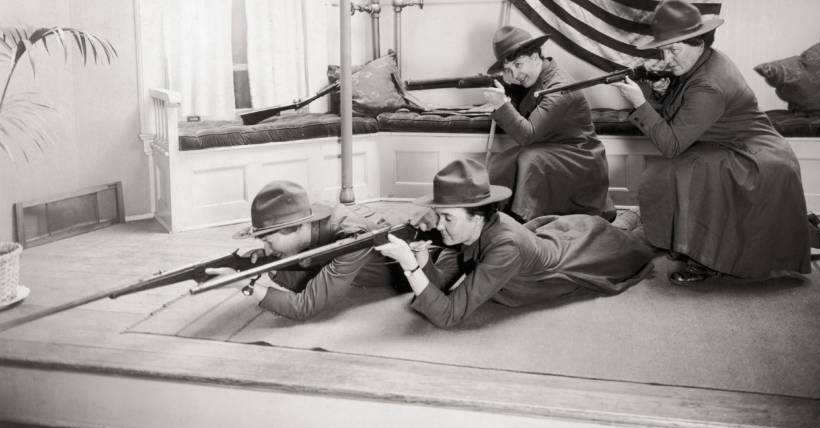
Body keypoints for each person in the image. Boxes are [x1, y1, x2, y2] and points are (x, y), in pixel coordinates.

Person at [607, 0, 820, 286]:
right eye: (663, 50)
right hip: (733, 144)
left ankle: (705, 260)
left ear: (698, 41)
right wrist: (661, 93)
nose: (666, 59)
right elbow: (683, 118)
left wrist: (639, 103)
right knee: (667, 174)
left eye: (673, 49)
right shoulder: (702, 62)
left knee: (675, 172)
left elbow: (672, 144)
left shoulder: (708, 83)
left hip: (756, 159)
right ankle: (802, 231)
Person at [374, 158, 654, 328]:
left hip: (586, 250)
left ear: (476, 216)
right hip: (564, 232)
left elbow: (448, 315)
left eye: (447, 217)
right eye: (439, 216)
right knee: (619, 225)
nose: (438, 225)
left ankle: (637, 213)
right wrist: (423, 265)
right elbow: (442, 286)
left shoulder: (504, 248)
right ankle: (629, 217)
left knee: (643, 240)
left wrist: (410, 268)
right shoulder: (466, 230)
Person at [209, 180, 408, 320]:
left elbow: (304, 307)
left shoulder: (351, 240)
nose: (266, 249)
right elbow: (308, 280)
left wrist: (245, 285)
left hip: (418, 274)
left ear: (293, 228)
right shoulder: (313, 219)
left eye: (269, 241)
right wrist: (272, 265)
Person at [480, 25, 616, 223]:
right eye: (509, 69)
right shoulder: (535, 78)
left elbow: (527, 135)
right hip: (554, 151)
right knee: (504, 160)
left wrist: (501, 103)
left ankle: (524, 220)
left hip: (580, 159)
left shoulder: (560, 86)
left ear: (536, 57)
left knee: (528, 159)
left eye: (519, 65)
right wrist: (509, 88)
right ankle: (497, 216)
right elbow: (524, 111)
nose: (515, 74)